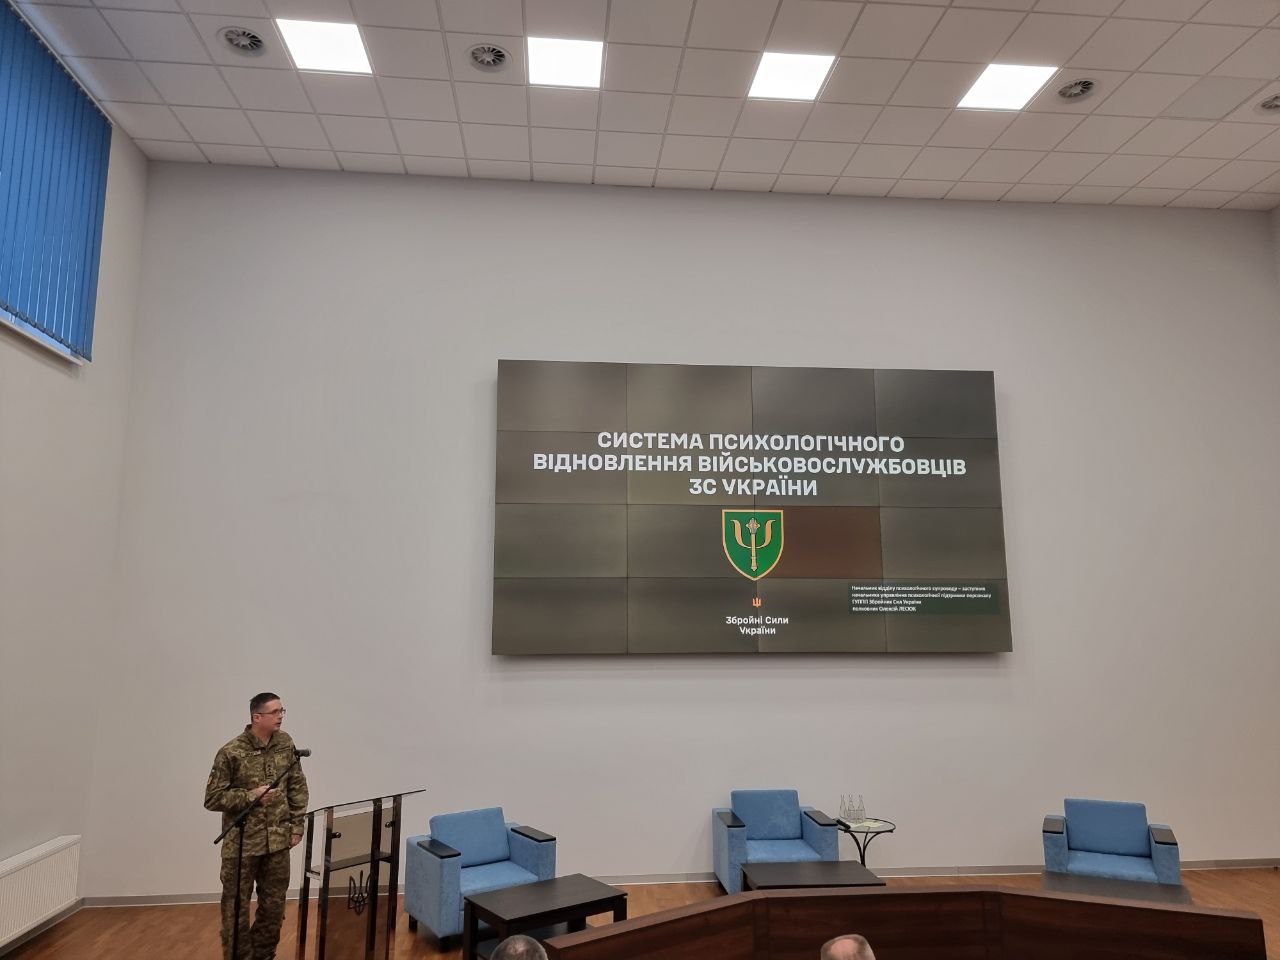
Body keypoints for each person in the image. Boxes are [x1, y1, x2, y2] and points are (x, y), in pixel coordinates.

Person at [204, 692, 309, 960]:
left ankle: (263, 955)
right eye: (275, 712)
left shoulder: (285, 743)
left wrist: (297, 826)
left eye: (282, 711)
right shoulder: (231, 752)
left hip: (277, 841)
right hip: (243, 845)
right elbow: (213, 798)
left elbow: (297, 786)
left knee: (274, 907)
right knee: (235, 909)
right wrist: (251, 796)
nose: (280, 716)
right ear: (257, 717)